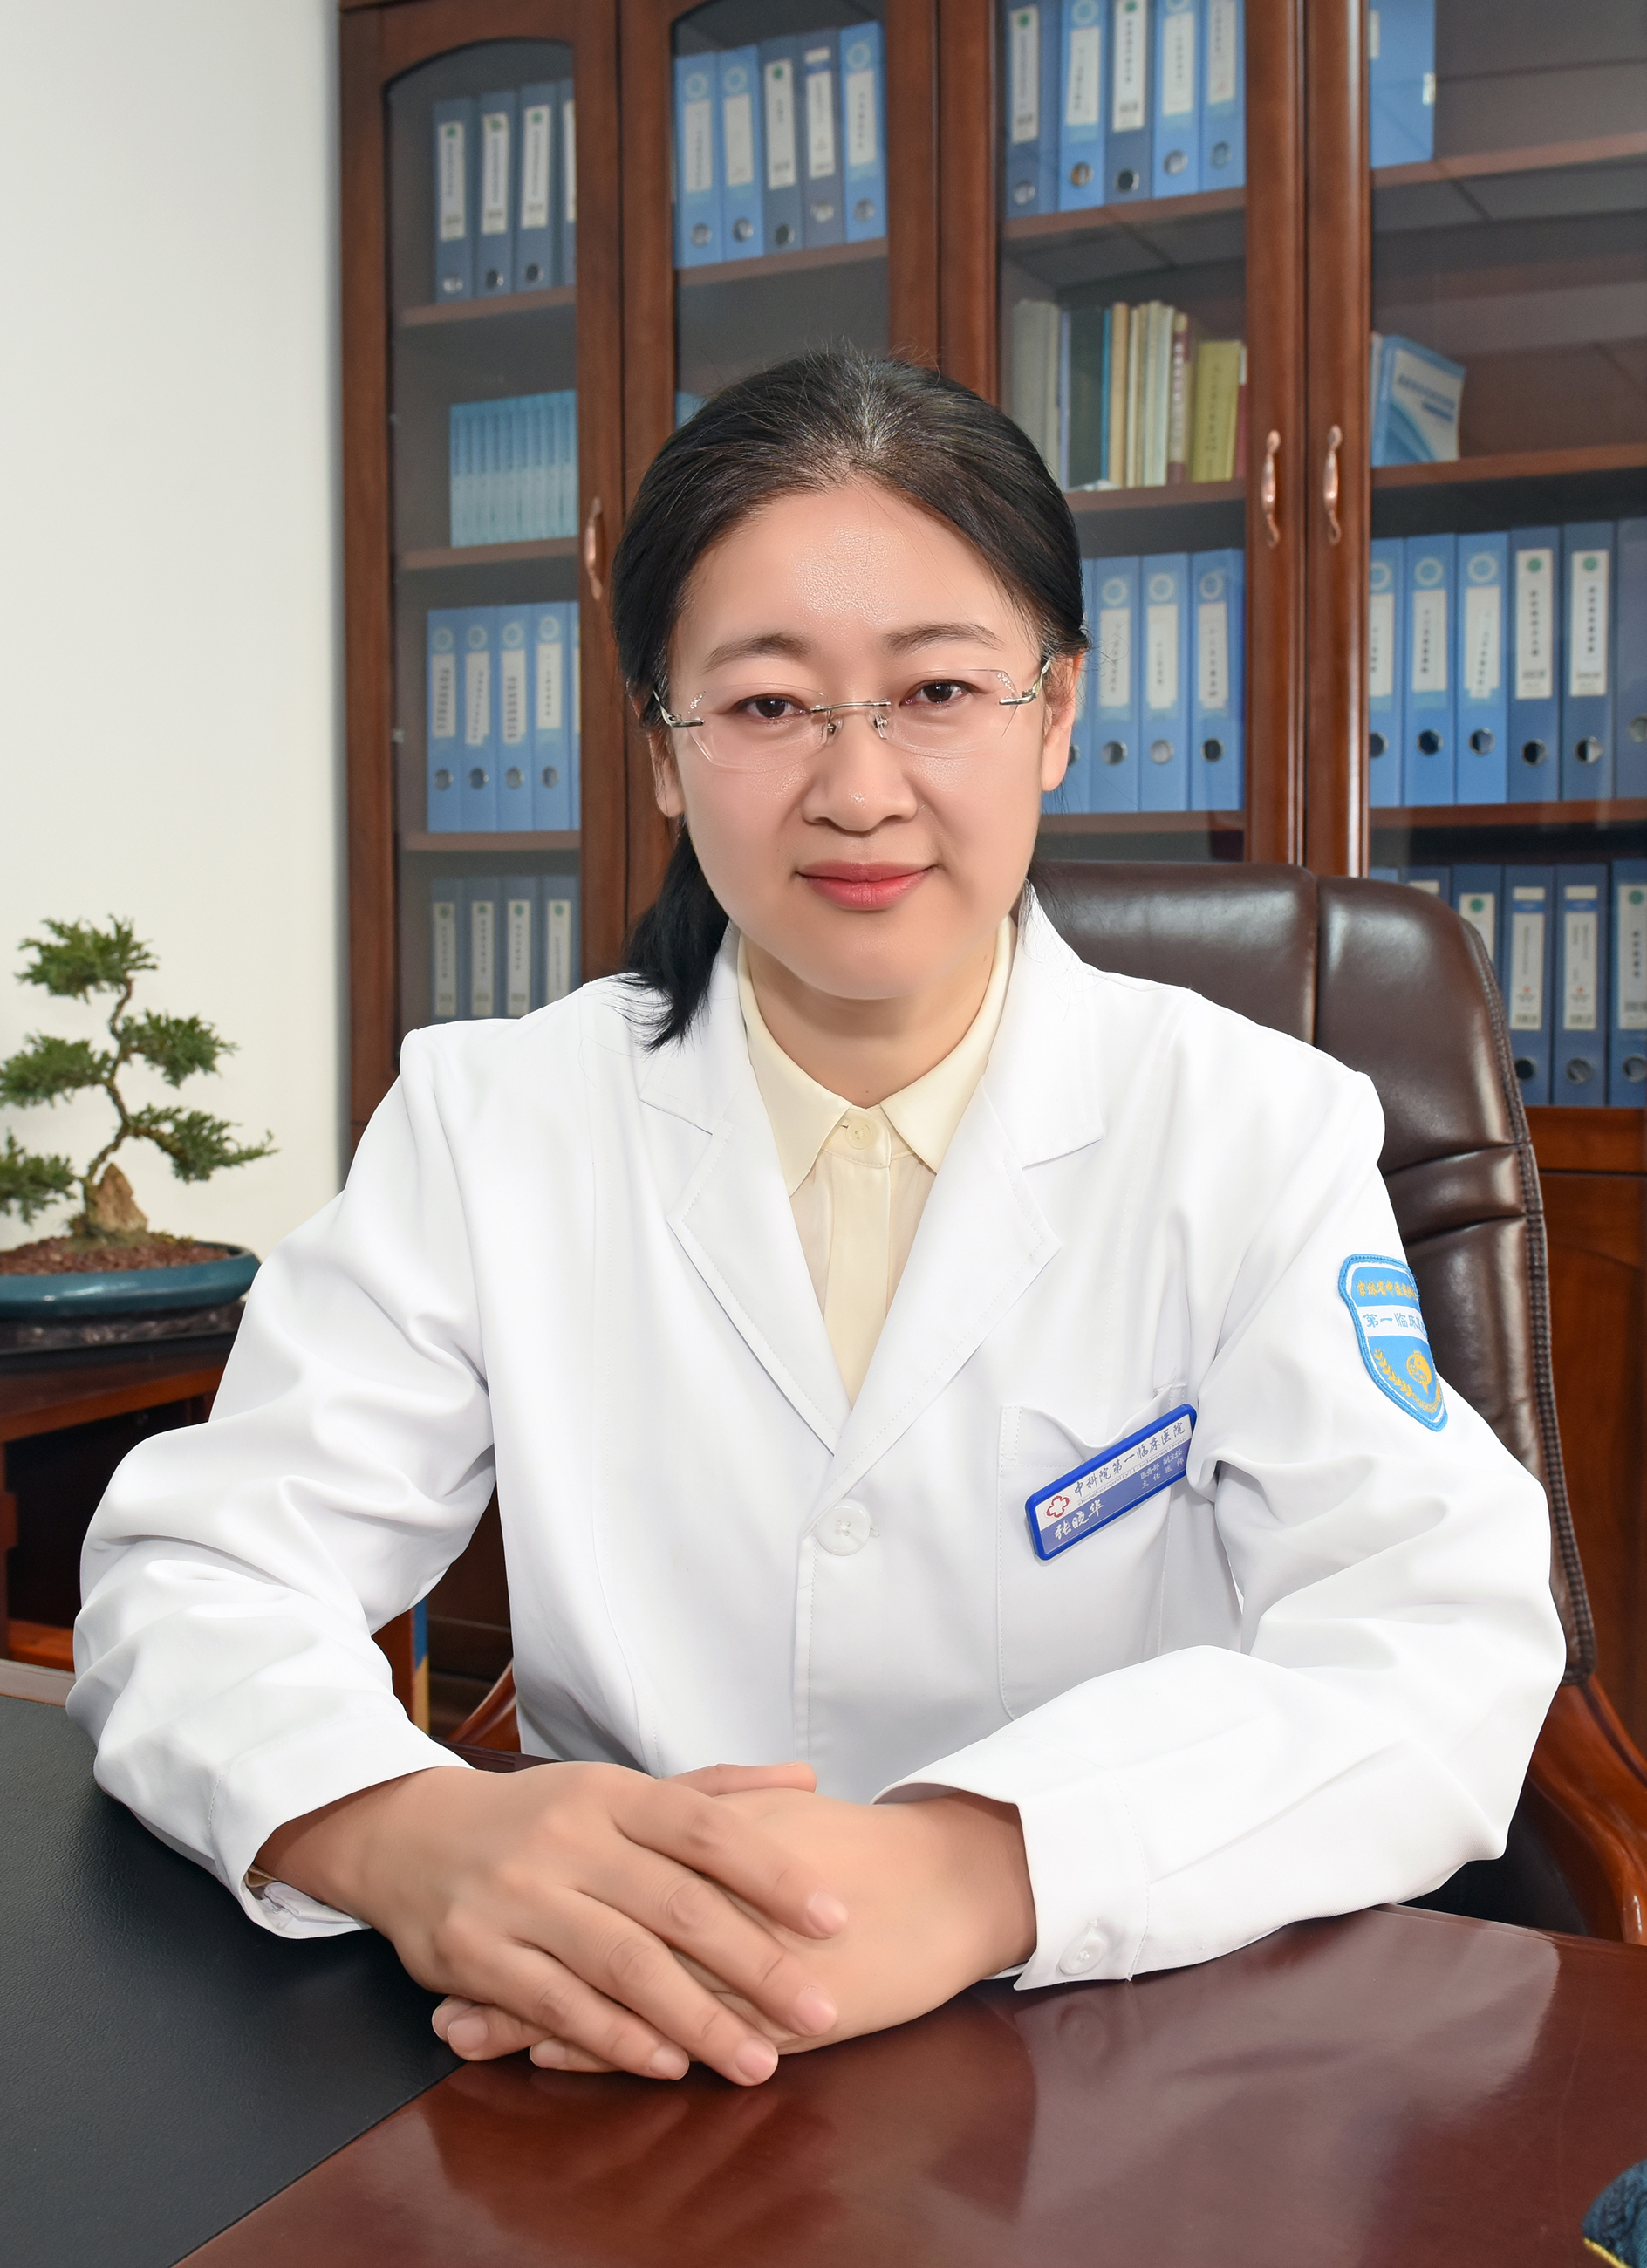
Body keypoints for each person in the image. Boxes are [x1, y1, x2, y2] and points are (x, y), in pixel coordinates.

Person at [70, 349, 1565, 2091]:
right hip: (620, 2051)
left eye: (937, 690)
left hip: (1111, 2049)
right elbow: (200, 1573)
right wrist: (405, 1828)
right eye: (769, 705)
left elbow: (1433, 1638)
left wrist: (975, 1867)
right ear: (662, 748)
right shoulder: (495, 1124)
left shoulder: (1246, 1126)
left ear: (1055, 715)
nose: (858, 789)